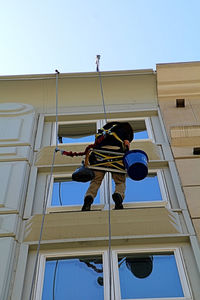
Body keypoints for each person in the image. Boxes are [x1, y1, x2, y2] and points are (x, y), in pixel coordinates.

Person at [82, 121, 133, 211]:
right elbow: (126, 143)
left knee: (96, 181)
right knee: (120, 181)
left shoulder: (105, 129)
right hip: (116, 155)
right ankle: (118, 196)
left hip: (99, 155)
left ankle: (89, 198)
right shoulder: (126, 128)